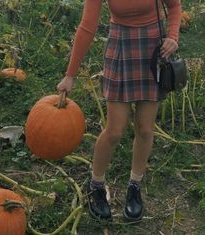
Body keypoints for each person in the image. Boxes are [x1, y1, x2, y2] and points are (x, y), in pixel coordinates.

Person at [57, 0, 181, 221]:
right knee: (114, 130)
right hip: (121, 47)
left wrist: (173, 36)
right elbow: (87, 26)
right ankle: (96, 185)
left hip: (154, 48)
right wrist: (70, 74)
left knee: (144, 129)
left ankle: (135, 186)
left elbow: (174, 6)